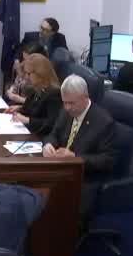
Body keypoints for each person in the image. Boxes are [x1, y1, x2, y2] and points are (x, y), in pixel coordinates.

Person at [43, 74, 118, 215]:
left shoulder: (104, 122)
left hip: (86, 177)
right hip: (62, 168)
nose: (67, 108)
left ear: (85, 97)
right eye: (65, 102)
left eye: (71, 103)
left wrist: (75, 157)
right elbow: (53, 134)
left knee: (55, 206)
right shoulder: (66, 112)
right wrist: (48, 145)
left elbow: (108, 160)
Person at [7, 54, 63, 136]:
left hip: (40, 137)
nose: (26, 77)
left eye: (29, 74)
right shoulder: (36, 89)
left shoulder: (54, 94)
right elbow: (33, 108)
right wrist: (20, 108)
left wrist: (27, 120)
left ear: (40, 74)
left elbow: (51, 123)